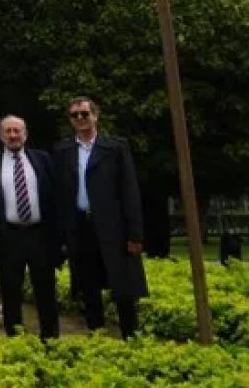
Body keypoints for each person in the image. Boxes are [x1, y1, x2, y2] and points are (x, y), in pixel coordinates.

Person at [53, 97, 147, 339]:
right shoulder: (63, 151)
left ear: (95, 115)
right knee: (89, 288)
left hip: (114, 228)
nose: (80, 119)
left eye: (84, 114)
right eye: (75, 115)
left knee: (123, 289)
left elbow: (130, 191)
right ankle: (97, 339)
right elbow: (60, 195)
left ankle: (131, 338)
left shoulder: (115, 148)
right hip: (81, 227)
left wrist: (135, 234)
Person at [0, 115, 60, 339]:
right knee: (10, 291)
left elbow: (54, 197)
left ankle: (50, 338)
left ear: (25, 134)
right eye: (8, 131)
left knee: (45, 290)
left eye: (17, 131)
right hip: (9, 235)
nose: (13, 135)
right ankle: (15, 339)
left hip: (40, 234)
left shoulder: (43, 159)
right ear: (0, 136)